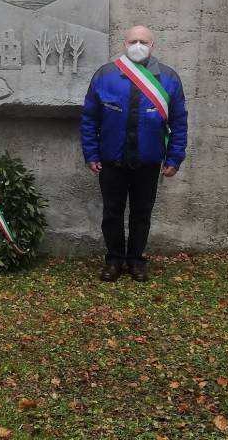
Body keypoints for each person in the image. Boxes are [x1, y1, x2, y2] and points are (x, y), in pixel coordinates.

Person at [80, 25, 187, 282]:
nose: (138, 45)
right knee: (112, 213)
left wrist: (174, 158)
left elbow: (179, 122)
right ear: (124, 44)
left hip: (148, 161)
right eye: (133, 41)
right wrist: (91, 154)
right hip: (111, 160)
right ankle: (114, 260)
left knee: (142, 214)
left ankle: (136, 260)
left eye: (143, 41)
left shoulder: (169, 78)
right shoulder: (105, 75)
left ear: (153, 46)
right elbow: (89, 119)